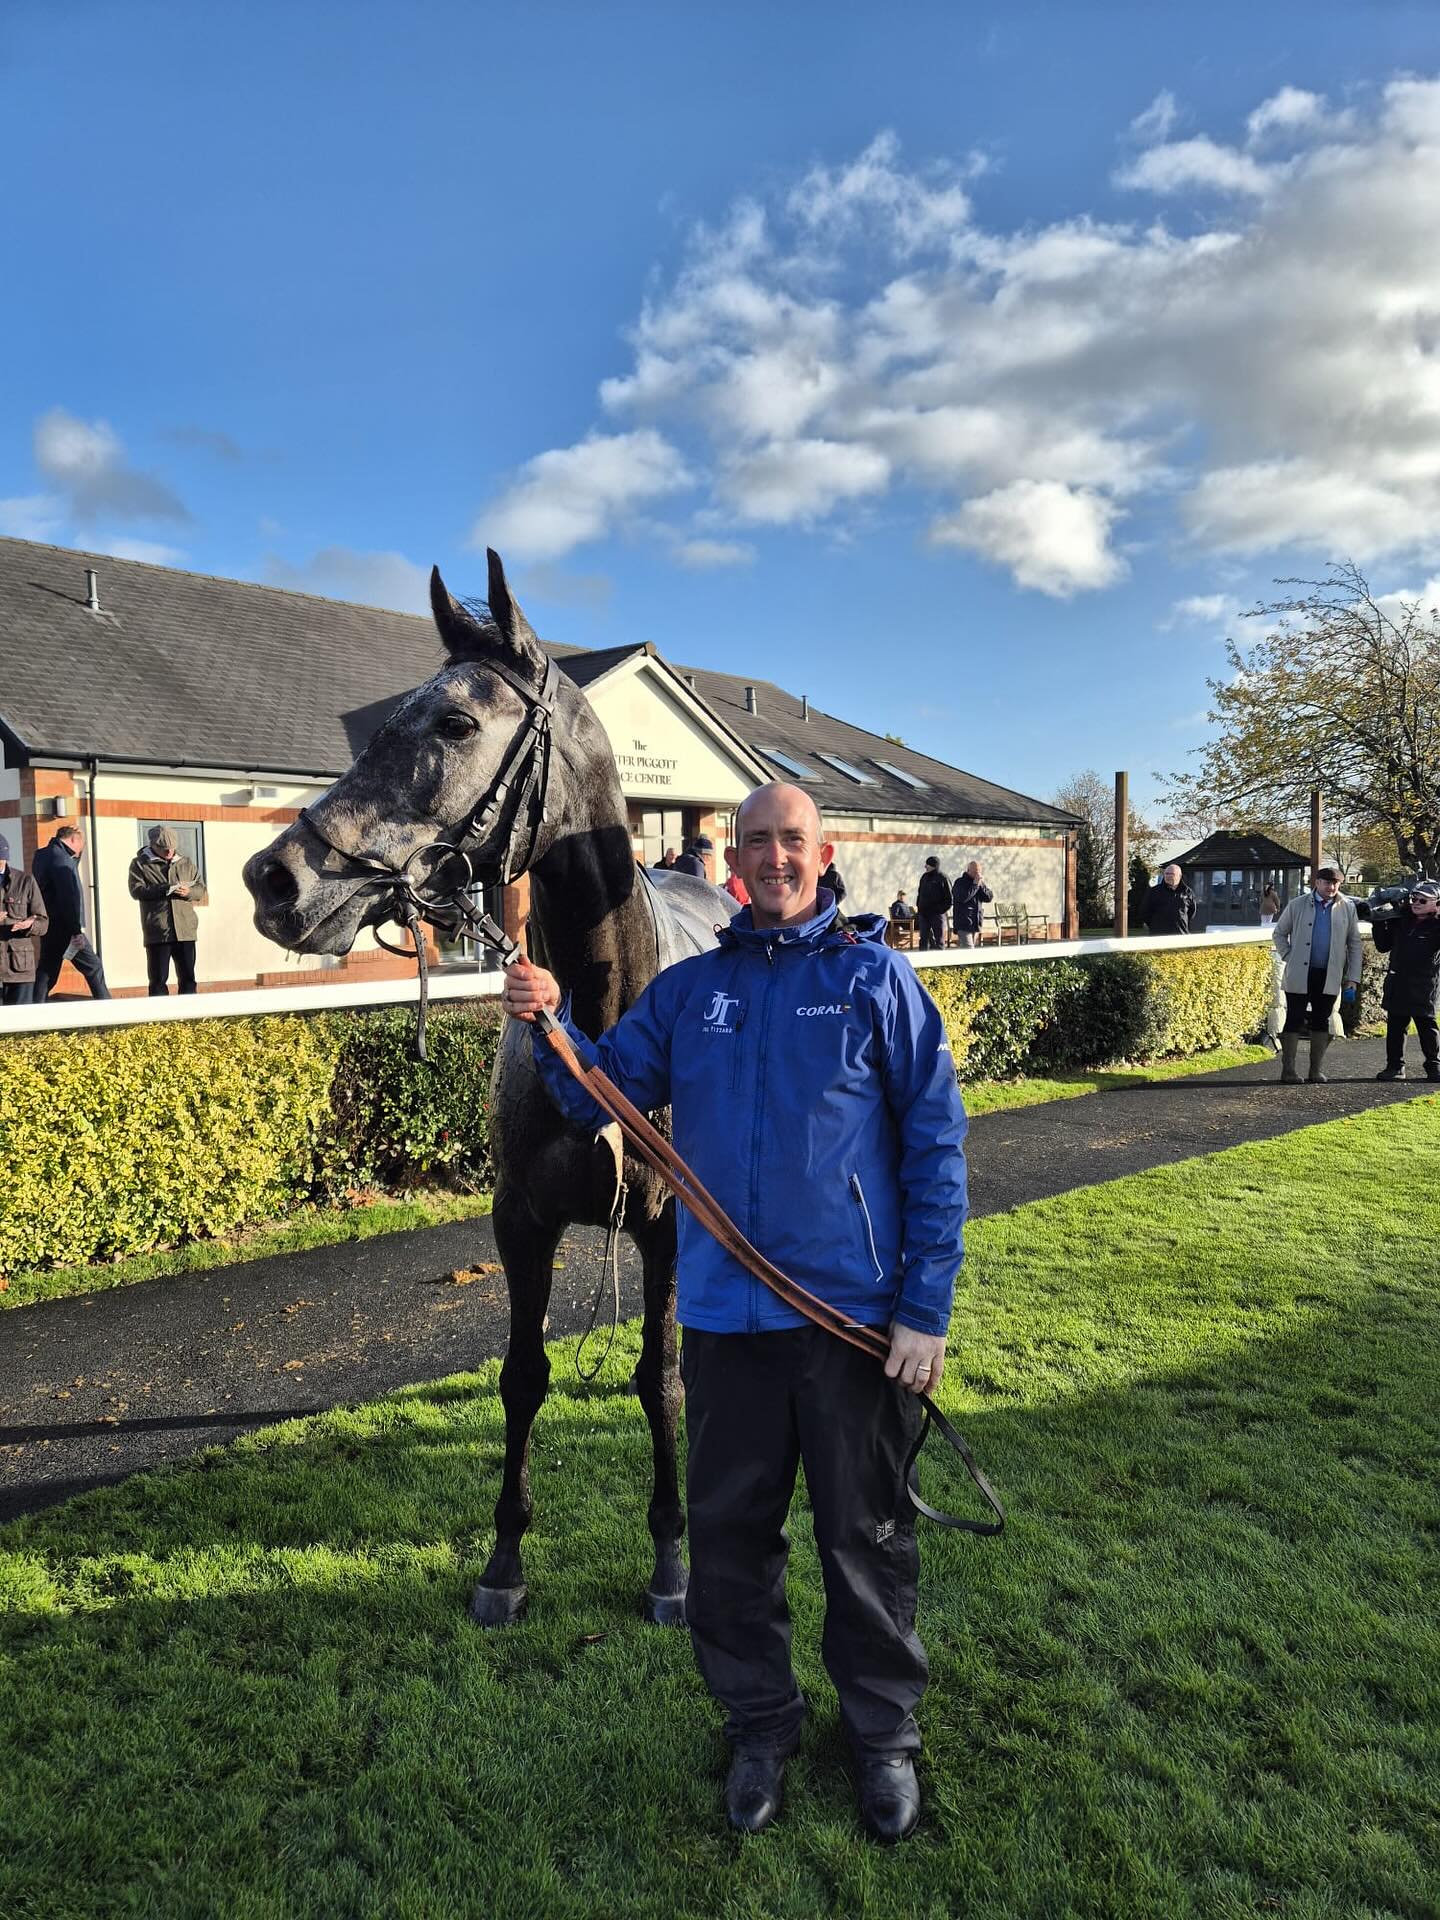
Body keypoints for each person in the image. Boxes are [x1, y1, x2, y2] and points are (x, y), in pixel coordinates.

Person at [500, 782, 967, 1843]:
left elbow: (937, 1149)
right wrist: (548, 1020)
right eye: (753, 842)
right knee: (729, 1545)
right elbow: (593, 1096)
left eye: (789, 841)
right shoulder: (691, 994)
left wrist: (923, 1311)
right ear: (734, 861)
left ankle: (883, 1739)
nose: (771, 858)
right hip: (723, 1327)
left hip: (852, 1327)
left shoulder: (877, 982)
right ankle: (761, 1727)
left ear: (822, 851)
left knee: (866, 1543)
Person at [1271, 866, 1362, 1083]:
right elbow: (1279, 933)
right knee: (1294, 1018)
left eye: (1335, 883)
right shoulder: (1298, 904)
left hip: (1329, 973)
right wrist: (1289, 956)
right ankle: (1289, 1071)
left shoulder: (1347, 907)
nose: (1331, 887)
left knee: (1322, 1019)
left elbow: (1355, 943)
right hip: (1300, 972)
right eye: (1326, 882)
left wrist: (1352, 977)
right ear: (1317, 882)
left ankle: (1315, 1070)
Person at [33, 826, 111, 1002]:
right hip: (65, 926)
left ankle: (33, 1008)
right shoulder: (62, 861)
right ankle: (108, 1011)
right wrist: (75, 931)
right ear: (73, 840)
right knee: (94, 967)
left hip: (49, 923)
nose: (81, 849)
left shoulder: (43, 855)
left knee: (47, 971)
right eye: (81, 844)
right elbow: (67, 897)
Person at [1372, 879, 1440, 1082]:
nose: (1416, 902)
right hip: (1398, 981)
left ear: (1436, 903)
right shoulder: (1400, 920)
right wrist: (1377, 921)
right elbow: (1383, 946)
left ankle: (1434, 1067)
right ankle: (1394, 1067)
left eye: (1422, 900)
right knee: (1395, 1026)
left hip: (1424, 983)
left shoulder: (1437, 925)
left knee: (1426, 1026)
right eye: (1413, 898)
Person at [127, 825, 208, 995]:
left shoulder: (186, 863)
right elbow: (136, 891)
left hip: (185, 930)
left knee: (188, 978)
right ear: (153, 845)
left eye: (172, 848)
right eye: (165, 849)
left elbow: (201, 889)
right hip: (158, 931)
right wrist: (165, 889)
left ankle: (189, 1016)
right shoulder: (140, 864)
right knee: (158, 981)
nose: (169, 852)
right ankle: (159, 1018)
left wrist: (189, 892)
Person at [0, 833, 48, 1006]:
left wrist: (29, 925)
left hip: (19, 968)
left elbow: (43, 923)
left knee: (21, 1025)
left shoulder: (25, 881)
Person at [1142, 863, 1197, 935]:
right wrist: (1155, 925)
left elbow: (1191, 912)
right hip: (1158, 935)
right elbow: (1145, 911)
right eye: (1166, 874)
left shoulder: (1187, 892)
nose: (1168, 876)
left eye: (1171, 874)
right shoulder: (1154, 891)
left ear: (1179, 876)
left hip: (1180, 934)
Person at [950, 861, 992, 949]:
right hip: (963, 923)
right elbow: (963, 897)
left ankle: (963, 963)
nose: (977, 874)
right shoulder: (960, 882)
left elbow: (988, 897)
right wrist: (975, 885)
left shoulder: (979, 883)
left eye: (979, 872)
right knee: (968, 949)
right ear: (968, 871)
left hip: (975, 922)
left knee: (968, 953)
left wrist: (981, 886)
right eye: (975, 872)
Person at [915, 855, 951, 951]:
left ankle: (940, 963)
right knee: (923, 939)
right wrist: (919, 907)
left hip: (937, 915)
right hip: (923, 914)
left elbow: (949, 899)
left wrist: (939, 910)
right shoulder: (924, 877)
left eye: (927, 864)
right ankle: (923, 962)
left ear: (933, 865)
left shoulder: (943, 878)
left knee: (939, 940)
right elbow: (920, 893)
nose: (925, 866)